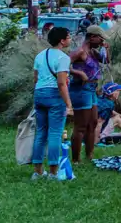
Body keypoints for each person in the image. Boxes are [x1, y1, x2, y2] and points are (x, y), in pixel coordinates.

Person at [30, 26, 74, 179]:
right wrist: (69, 105)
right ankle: (54, 172)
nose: (70, 39)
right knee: (55, 133)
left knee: (41, 133)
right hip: (54, 95)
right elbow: (62, 84)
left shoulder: (40, 55)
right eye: (69, 36)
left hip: (39, 94)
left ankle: (38, 171)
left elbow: (35, 79)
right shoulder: (63, 58)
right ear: (62, 41)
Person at [68, 26, 106, 163]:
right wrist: (79, 73)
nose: (101, 42)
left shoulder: (93, 52)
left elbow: (106, 61)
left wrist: (106, 48)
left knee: (93, 122)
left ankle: (90, 156)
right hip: (81, 88)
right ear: (92, 37)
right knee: (81, 125)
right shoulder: (80, 52)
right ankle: (76, 160)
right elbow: (64, 65)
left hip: (92, 88)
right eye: (100, 39)